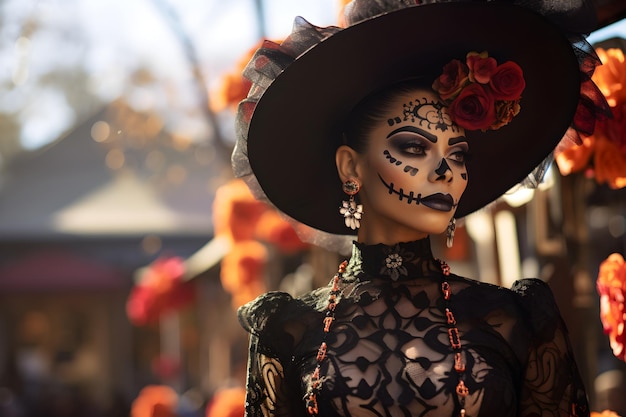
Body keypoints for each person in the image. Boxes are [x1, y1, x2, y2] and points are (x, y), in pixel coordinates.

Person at [230, 0, 611, 416]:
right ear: (351, 166)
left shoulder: (516, 318)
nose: (447, 171)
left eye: (459, 153)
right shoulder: (286, 329)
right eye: (414, 147)